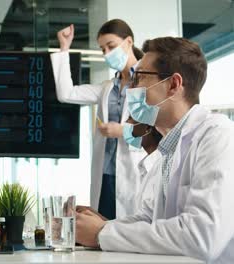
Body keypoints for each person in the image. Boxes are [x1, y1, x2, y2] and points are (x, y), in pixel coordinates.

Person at [75, 37, 234, 264]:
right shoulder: (168, 149)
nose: (131, 87)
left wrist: (102, 233)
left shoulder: (218, 136)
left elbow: (202, 236)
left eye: (139, 77)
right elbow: (150, 221)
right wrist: (100, 226)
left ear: (173, 85)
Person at [51, 19, 145, 219]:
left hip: (134, 175)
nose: (107, 53)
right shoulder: (107, 87)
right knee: (102, 236)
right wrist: (64, 48)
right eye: (103, 49)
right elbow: (66, 93)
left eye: (111, 46)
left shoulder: (148, 81)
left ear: (128, 42)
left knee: (129, 237)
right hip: (106, 176)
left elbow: (155, 131)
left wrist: (122, 131)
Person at [77, 117, 162, 219]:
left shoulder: (159, 171)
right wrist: (100, 221)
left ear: (147, 129)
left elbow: (146, 228)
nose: (126, 123)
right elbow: (140, 224)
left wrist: (101, 226)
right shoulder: (148, 166)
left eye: (131, 118)